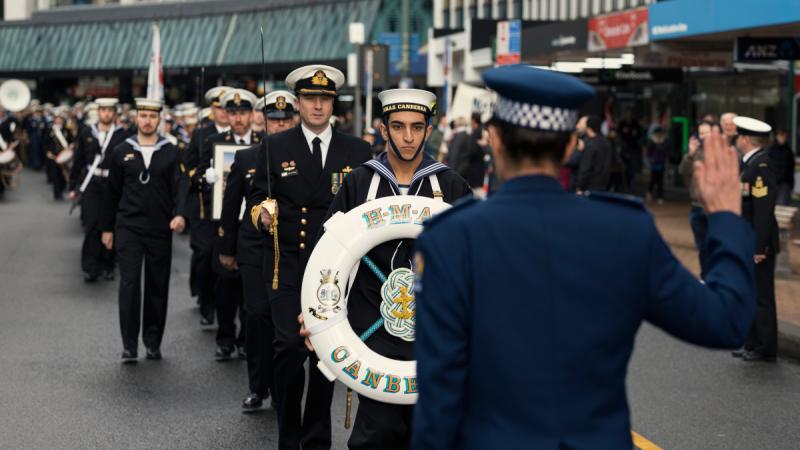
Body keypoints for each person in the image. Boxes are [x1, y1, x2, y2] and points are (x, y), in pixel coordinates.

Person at [412, 64, 757, 449]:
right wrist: (725, 217)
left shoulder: (450, 238)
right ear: (569, 146)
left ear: (496, 140)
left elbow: (439, 398)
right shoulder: (627, 231)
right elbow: (725, 320)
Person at [304, 89, 471, 450]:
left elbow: (478, 261)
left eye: (416, 127)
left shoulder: (452, 185)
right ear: (383, 129)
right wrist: (316, 316)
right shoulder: (360, 183)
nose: (407, 137)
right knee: (376, 436)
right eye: (398, 127)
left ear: (429, 130)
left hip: (434, 335)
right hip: (372, 335)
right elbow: (327, 254)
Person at [248, 64, 372, 450]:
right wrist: (262, 214)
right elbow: (255, 197)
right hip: (286, 264)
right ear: (298, 103)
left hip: (332, 272)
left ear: (333, 104)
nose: (318, 106)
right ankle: (288, 435)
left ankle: (317, 439)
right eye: (310, 99)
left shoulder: (358, 150)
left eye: (325, 99)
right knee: (287, 348)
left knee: (325, 355)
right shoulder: (275, 146)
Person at [219, 90, 297, 411]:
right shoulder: (247, 158)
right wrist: (226, 247)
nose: (279, 126)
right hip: (253, 247)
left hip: (288, 249)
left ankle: (282, 388)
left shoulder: (303, 158)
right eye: (273, 120)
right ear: (262, 122)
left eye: (285, 120)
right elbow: (231, 204)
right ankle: (257, 386)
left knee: (284, 323)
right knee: (257, 316)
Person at [100, 98, 187, 363]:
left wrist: (180, 214)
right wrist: (106, 229)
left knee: (157, 286)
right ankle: (129, 345)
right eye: (143, 116)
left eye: (152, 116)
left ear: (159, 119)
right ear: (136, 118)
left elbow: (181, 185)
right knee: (129, 284)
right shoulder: (121, 151)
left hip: (159, 228)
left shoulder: (171, 151)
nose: (147, 121)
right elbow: (111, 192)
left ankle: (152, 342)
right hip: (129, 228)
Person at [200, 88, 265, 361]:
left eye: (243, 113)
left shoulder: (265, 143)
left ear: (252, 115)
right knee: (225, 285)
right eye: (234, 113)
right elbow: (196, 180)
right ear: (227, 115)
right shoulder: (214, 141)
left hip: (253, 224)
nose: (238, 119)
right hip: (226, 223)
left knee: (250, 289)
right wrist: (207, 179)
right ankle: (225, 338)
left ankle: (245, 340)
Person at [731, 116, 779, 363]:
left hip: (757, 243)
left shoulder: (761, 167)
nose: (736, 140)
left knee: (761, 295)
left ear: (746, 139)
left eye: (739, 136)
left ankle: (765, 347)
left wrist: (759, 247)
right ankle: (752, 342)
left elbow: (763, 210)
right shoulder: (750, 164)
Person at [183, 86, 232, 327]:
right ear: (212, 110)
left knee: (226, 261)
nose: (223, 112)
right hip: (204, 208)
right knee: (204, 258)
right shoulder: (201, 134)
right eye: (218, 107)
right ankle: (206, 305)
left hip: (230, 209)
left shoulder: (239, 135)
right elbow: (188, 168)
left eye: (227, 108)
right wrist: (203, 178)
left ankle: (225, 308)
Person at [68, 98, 129, 282]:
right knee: (92, 225)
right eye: (103, 110)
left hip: (113, 183)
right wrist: (73, 185)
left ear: (115, 113)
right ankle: (90, 266)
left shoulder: (122, 135)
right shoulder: (87, 132)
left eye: (110, 111)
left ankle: (108, 265)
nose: (107, 114)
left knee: (110, 224)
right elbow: (78, 159)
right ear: (98, 112)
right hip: (92, 182)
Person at [679, 121, 714, 276]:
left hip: (712, 207)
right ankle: (705, 276)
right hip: (695, 206)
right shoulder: (696, 152)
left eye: (707, 132)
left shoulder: (720, 152)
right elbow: (683, 170)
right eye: (701, 133)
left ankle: (714, 276)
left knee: (712, 245)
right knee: (701, 247)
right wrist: (690, 154)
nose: (704, 136)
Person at [575, 115, 613, 193]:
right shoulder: (606, 142)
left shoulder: (590, 145)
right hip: (604, 183)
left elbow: (585, 167)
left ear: (589, 128)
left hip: (590, 185)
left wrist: (579, 186)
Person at [43, 112, 74, 201]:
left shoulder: (66, 130)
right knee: (56, 175)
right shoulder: (50, 130)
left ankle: (62, 188)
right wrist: (47, 151)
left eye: (60, 118)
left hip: (64, 155)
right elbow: (45, 142)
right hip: (54, 155)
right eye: (57, 118)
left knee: (64, 174)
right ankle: (57, 193)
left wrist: (71, 145)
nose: (58, 120)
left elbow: (71, 140)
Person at [617, 109, 642, 192]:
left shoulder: (635, 124)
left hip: (633, 148)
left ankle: (630, 185)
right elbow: (619, 134)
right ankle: (624, 185)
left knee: (632, 168)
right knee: (624, 167)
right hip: (624, 148)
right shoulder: (622, 124)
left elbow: (639, 134)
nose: (628, 115)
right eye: (627, 114)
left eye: (630, 114)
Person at [767, 128, 795, 205]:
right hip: (772, 182)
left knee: (782, 204)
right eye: (781, 136)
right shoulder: (770, 150)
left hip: (785, 183)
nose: (783, 138)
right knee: (771, 205)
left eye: (785, 136)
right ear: (777, 136)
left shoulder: (788, 151)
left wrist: (791, 183)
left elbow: (791, 168)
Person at [645, 127, 668, 204]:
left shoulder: (664, 142)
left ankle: (660, 197)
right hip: (654, 164)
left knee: (660, 181)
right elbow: (648, 153)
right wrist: (651, 160)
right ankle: (649, 192)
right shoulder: (651, 142)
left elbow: (666, 152)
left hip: (661, 164)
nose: (659, 135)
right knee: (653, 180)